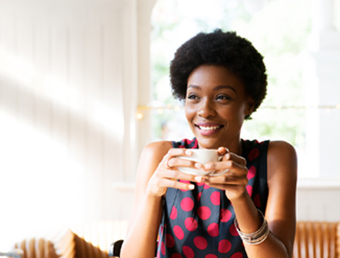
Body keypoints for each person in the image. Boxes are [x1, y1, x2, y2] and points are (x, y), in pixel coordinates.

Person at [121, 29, 298, 258]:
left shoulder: (275, 158)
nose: (204, 111)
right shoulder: (160, 156)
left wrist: (240, 198)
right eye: (194, 97)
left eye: (222, 97)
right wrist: (153, 194)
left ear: (249, 104)